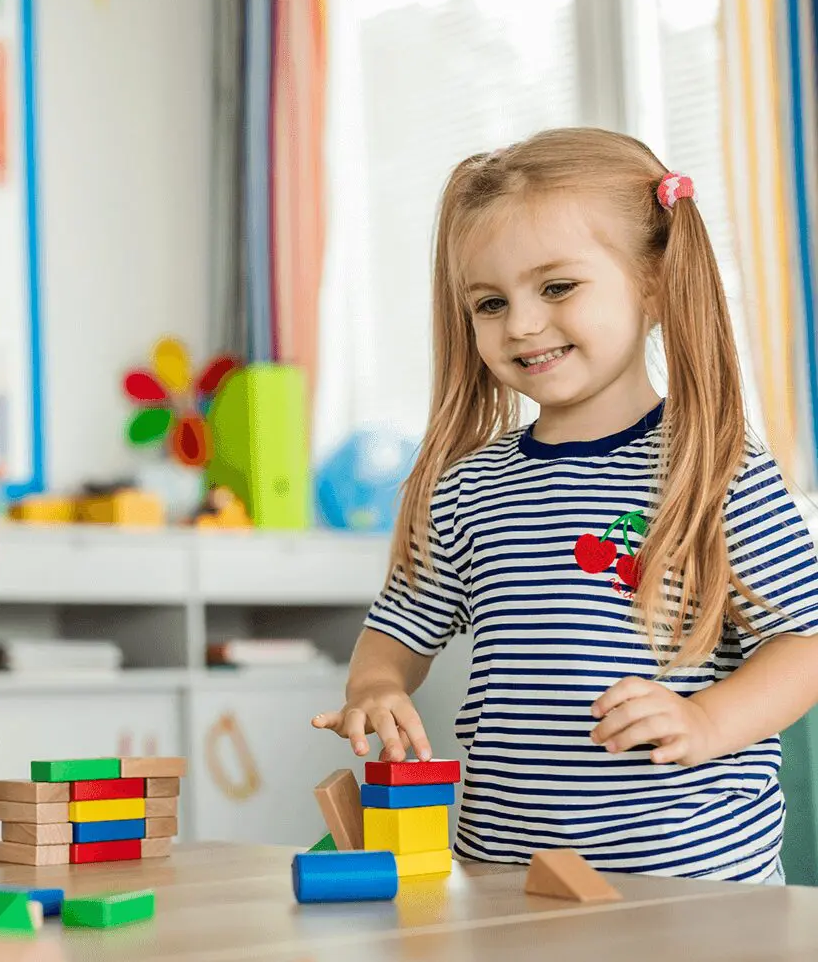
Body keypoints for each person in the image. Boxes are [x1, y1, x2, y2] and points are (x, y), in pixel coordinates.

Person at [314, 127, 818, 883]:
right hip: (505, 882)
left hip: (694, 887)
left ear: (653, 282)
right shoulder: (469, 488)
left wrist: (706, 721)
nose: (520, 323)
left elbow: (805, 645)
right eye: (489, 302)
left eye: (556, 287)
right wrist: (376, 687)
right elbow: (397, 630)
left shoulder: (713, 467)